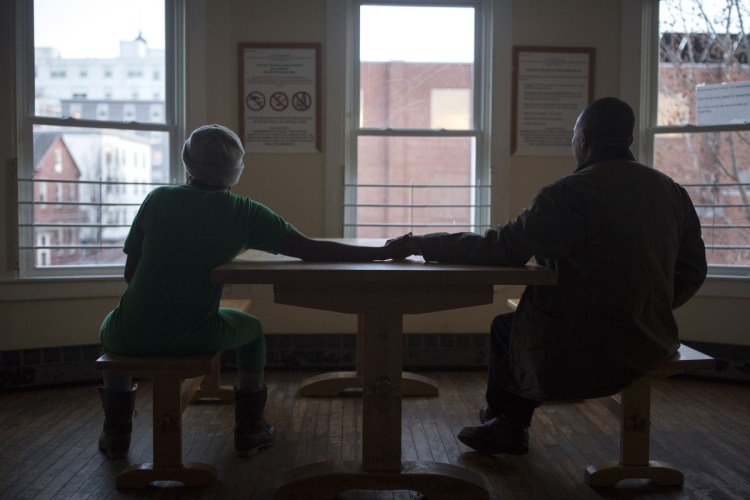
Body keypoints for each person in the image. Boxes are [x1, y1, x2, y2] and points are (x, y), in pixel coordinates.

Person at [394, 97, 707, 455]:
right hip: (651, 340)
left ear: (584, 138)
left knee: (506, 328)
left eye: (574, 135)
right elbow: (693, 270)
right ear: (628, 139)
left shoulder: (568, 194)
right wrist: (648, 306)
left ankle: (510, 424)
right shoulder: (672, 192)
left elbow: (500, 248)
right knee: (519, 323)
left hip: (585, 344)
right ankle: (501, 416)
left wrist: (421, 243)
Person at [98, 124, 411, 459]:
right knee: (253, 331)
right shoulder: (246, 213)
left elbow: (131, 275)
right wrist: (382, 252)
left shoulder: (158, 199)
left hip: (129, 335)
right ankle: (250, 428)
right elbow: (312, 250)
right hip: (196, 337)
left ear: (187, 164)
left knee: (112, 326)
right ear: (237, 170)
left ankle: (117, 433)